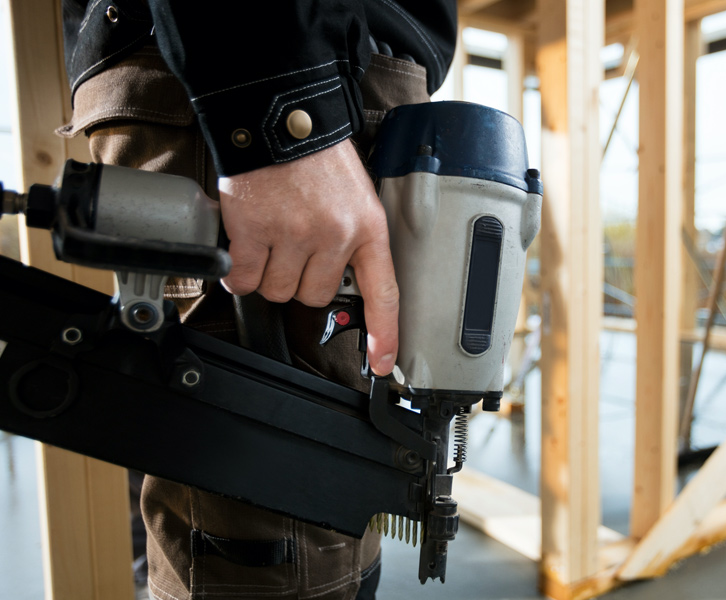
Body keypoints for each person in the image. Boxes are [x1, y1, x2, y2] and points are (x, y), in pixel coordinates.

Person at [57, 2, 457, 599]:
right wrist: (286, 112)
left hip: (275, 70)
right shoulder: (284, 96)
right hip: (282, 68)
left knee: (208, 503)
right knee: (278, 552)